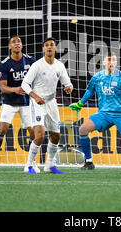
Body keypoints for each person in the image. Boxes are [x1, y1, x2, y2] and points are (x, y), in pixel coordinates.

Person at [21, 37, 73, 174]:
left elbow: (67, 83)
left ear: (55, 48)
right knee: (39, 136)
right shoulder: (37, 65)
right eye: (46, 45)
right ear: (43, 49)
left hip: (51, 102)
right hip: (37, 102)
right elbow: (24, 84)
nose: (49, 47)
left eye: (51, 45)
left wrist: (69, 87)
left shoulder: (59, 66)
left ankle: (49, 165)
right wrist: (35, 97)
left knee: (56, 135)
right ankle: (29, 165)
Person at [0, 36, 36, 172]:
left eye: (19, 41)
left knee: (33, 132)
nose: (17, 44)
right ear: (9, 46)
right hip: (10, 102)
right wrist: (16, 89)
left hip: (26, 102)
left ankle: (32, 163)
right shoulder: (5, 64)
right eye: (14, 42)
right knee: (2, 129)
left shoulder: (30, 60)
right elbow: (3, 87)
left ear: (22, 45)